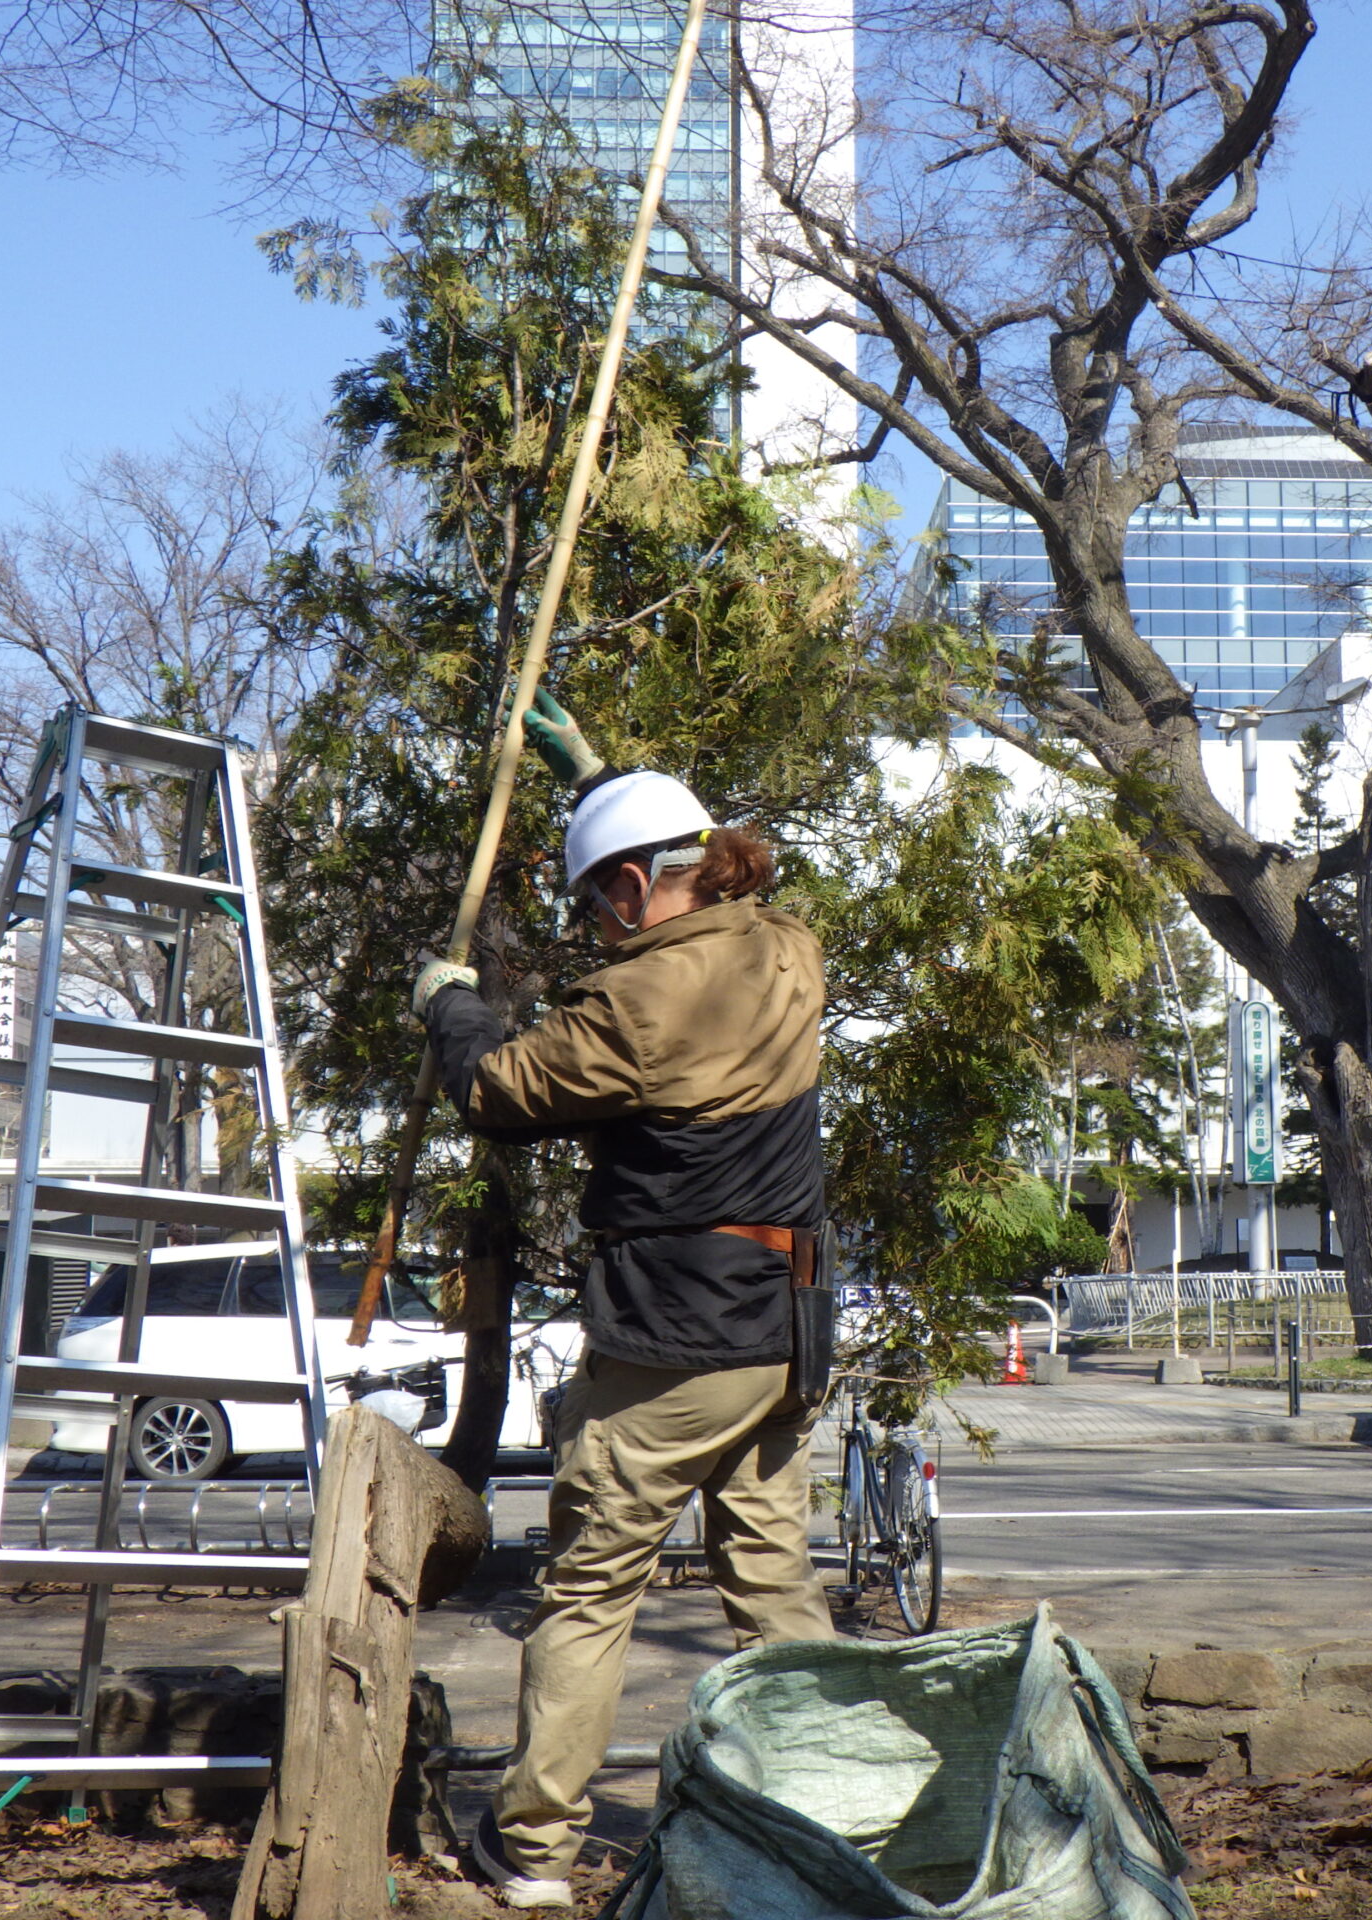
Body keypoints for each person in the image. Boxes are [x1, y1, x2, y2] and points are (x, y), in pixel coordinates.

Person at [409, 696, 838, 1909]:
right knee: (771, 1585)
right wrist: (598, 778)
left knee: (590, 1592)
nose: (595, 923)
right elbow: (696, 886)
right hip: (785, 1328)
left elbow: (497, 1087)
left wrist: (449, 999)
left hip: (675, 1336)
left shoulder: (636, 1008)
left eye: (601, 895)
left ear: (642, 885)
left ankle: (532, 1848)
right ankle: (825, 1818)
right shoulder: (788, 947)